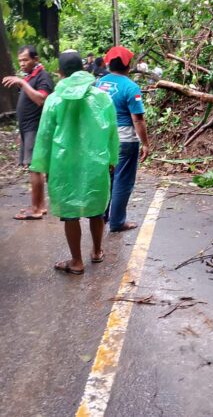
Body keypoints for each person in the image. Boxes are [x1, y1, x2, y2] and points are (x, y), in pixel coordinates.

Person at [30, 51, 119, 274]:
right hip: (95, 162)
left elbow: (44, 136)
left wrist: (42, 166)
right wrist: (112, 158)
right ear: (83, 68)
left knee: (70, 212)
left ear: (60, 72)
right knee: (96, 207)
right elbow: (112, 132)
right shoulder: (102, 98)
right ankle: (97, 251)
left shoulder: (54, 100)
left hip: (63, 163)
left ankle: (76, 261)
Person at [96, 46, 151, 233]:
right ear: (128, 65)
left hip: (102, 138)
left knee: (106, 178)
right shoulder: (131, 87)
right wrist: (145, 143)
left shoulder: (98, 84)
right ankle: (117, 222)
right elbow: (138, 119)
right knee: (123, 180)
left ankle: (102, 216)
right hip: (125, 139)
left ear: (109, 64)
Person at [2, 45, 54, 220]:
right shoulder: (31, 76)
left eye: (25, 60)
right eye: (20, 61)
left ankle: (36, 209)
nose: (22, 64)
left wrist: (22, 83)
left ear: (36, 59)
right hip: (27, 128)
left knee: (34, 167)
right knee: (34, 167)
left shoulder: (43, 76)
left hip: (35, 127)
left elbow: (41, 99)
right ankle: (40, 205)